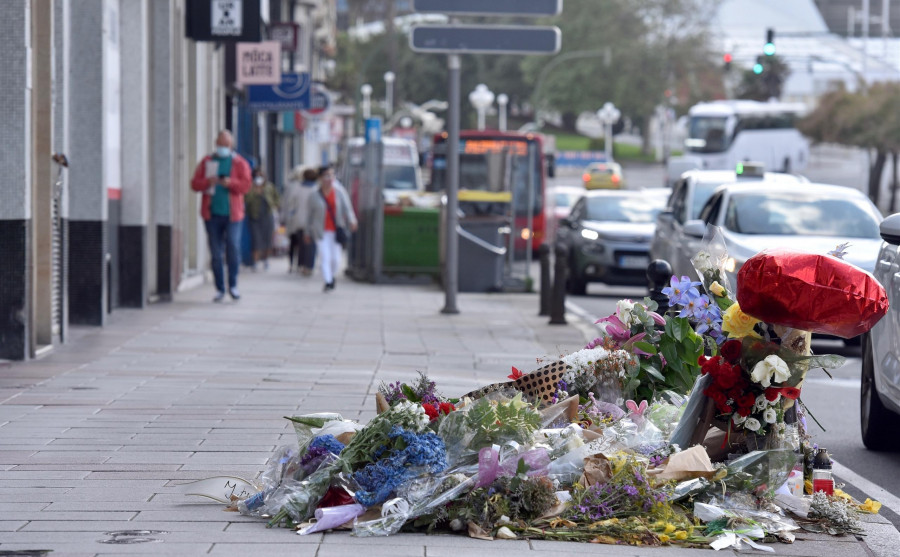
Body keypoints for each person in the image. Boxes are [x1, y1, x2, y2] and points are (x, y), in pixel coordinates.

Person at [190, 130, 252, 302]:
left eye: (226, 145)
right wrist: (207, 182)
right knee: (216, 253)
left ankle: (233, 285)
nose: (223, 148)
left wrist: (230, 183)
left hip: (234, 215)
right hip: (212, 214)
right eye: (220, 144)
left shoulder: (239, 163)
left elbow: (246, 186)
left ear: (231, 145)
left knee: (232, 247)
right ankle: (219, 288)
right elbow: (194, 184)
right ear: (215, 143)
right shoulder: (207, 161)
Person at [306, 166, 357, 292]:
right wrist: (307, 232)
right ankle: (328, 281)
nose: (329, 178)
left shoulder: (339, 192)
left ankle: (331, 276)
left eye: (332, 175)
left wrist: (352, 220)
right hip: (320, 231)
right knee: (325, 257)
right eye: (326, 176)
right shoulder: (314, 195)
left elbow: (347, 208)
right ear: (320, 178)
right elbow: (309, 216)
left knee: (336, 259)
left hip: (336, 230)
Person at [281, 166, 319, 275]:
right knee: (311, 244)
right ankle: (308, 265)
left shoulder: (297, 188)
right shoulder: (316, 189)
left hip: (299, 220)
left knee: (300, 243)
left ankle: (300, 264)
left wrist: (290, 216)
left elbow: (291, 204)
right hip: (312, 221)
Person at [245, 167, 280, 271]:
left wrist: (273, 205)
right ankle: (255, 261)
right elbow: (246, 200)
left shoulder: (269, 187)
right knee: (256, 240)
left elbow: (277, 199)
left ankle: (265, 260)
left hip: (267, 216)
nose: (259, 178)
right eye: (257, 176)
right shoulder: (250, 187)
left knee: (267, 239)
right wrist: (254, 191)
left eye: (261, 176)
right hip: (254, 216)